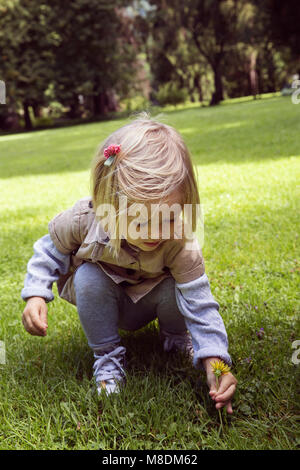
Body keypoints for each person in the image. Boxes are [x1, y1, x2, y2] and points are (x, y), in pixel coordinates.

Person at [21, 112, 237, 413]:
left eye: (170, 217)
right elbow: (49, 251)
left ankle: (176, 338)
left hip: (155, 299)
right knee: (88, 277)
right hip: (109, 300)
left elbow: (200, 304)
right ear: (107, 205)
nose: (157, 233)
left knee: (177, 285)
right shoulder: (85, 219)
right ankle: (107, 356)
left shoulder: (180, 243)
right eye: (141, 222)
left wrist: (217, 362)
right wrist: (35, 293)